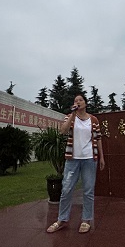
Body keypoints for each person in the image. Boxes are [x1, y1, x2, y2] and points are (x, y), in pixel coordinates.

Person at [47, 94, 105, 233]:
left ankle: (86, 220)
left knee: (88, 190)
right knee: (66, 189)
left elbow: (98, 138)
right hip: (72, 159)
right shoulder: (70, 117)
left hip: (89, 159)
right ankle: (62, 219)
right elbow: (63, 131)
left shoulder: (93, 120)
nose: (78, 102)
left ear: (85, 103)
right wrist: (72, 115)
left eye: (80, 100)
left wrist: (101, 157)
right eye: (75, 100)